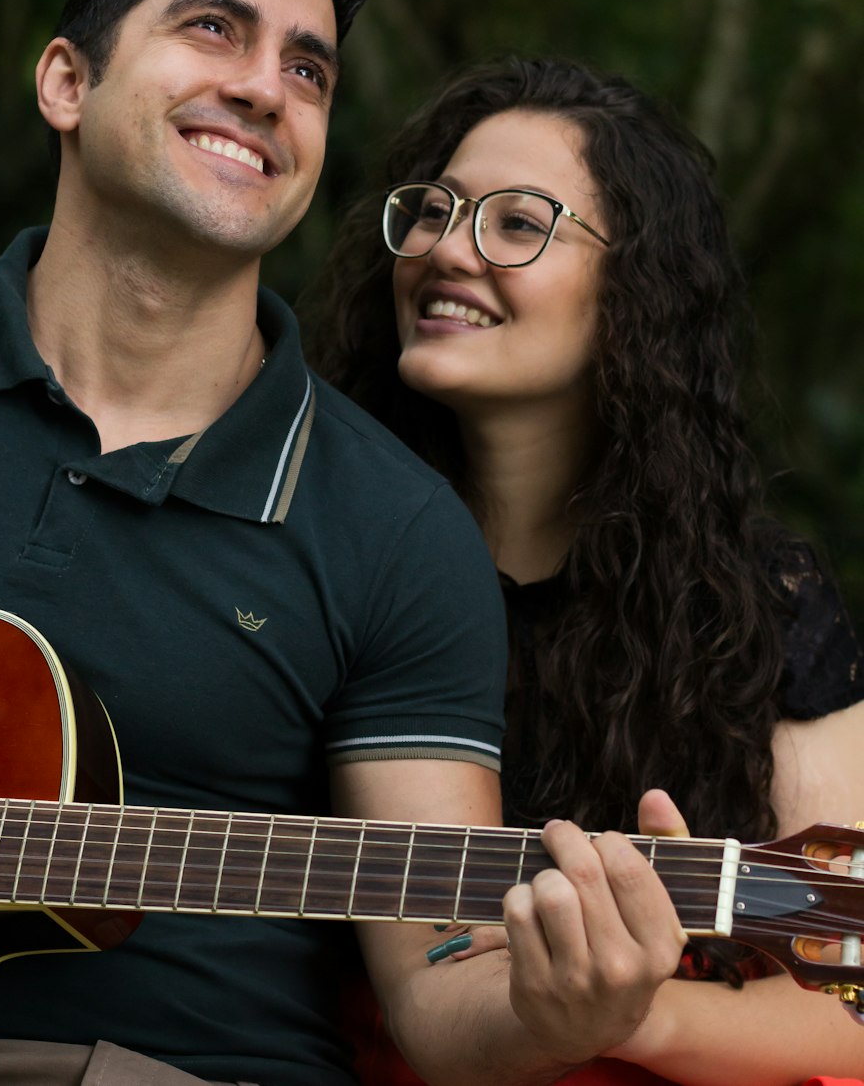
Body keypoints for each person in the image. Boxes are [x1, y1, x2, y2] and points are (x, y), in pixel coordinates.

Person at [0, 0, 688, 1086]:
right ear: (66, 82)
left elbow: (443, 986)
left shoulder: (394, 529)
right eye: (212, 29)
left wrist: (565, 1010)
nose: (264, 86)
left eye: (308, 70)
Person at [307, 54, 864, 1086]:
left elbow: (850, 1000)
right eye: (432, 210)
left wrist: (609, 1014)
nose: (444, 250)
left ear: (633, 291)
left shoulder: (753, 602)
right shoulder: (317, 548)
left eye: (517, 223)